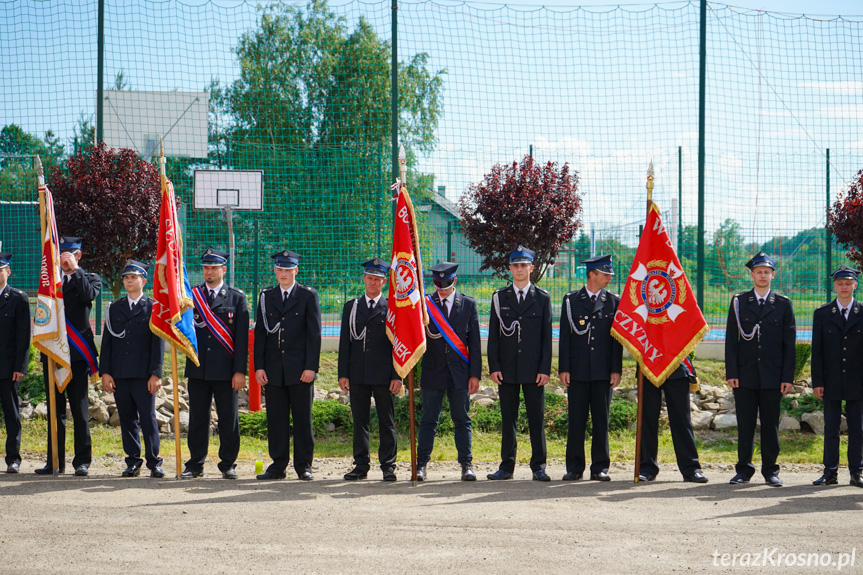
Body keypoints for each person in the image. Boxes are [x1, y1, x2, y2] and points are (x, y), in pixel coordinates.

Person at [725, 252, 795, 487]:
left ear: (773, 275)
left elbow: (789, 344)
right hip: (745, 375)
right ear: (752, 274)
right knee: (745, 425)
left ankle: (770, 471)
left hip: (773, 376)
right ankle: (743, 470)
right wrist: (732, 372)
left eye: (767, 272)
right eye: (758, 271)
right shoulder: (739, 302)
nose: (762, 275)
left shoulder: (784, 304)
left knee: (770, 425)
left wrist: (787, 376)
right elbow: (731, 341)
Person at [182, 249, 249, 479]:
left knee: (228, 418)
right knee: (198, 419)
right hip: (198, 368)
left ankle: (228, 464)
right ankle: (195, 464)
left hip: (226, 370)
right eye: (205, 268)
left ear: (224, 269)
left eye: (214, 267)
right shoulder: (190, 296)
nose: (209, 272)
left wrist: (240, 370)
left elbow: (241, 339)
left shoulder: (237, 298)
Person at [254, 250, 321, 481]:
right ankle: (278, 465)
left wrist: (311, 367)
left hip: (300, 369)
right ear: (275, 270)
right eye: (279, 269)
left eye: (287, 269)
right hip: (273, 370)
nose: (283, 274)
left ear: (296, 270)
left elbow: (314, 335)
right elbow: (261, 334)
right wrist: (259, 366)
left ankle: (304, 466)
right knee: (276, 420)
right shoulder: (266, 297)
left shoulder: (307, 296)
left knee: (303, 420)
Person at [36, 236, 101, 476]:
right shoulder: (49, 283)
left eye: (69, 254)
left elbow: (87, 296)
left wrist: (75, 271)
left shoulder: (90, 278)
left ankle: (82, 461)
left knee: (80, 410)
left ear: (78, 255)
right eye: (61, 255)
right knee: (55, 410)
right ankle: (55, 460)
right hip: (53, 354)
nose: (64, 259)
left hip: (76, 356)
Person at [487, 246, 553, 481]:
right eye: (515, 265)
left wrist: (545, 369)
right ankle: (506, 467)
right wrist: (493, 366)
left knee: (537, 418)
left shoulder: (543, 298)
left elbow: (547, 337)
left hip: (534, 370)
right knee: (508, 420)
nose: (519, 269)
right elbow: (493, 336)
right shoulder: (499, 297)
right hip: (507, 370)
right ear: (510, 268)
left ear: (531, 268)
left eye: (524, 265)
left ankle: (539, 467)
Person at [99, 260, 165, 478]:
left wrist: (156, 374)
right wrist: (105, 372)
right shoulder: (114, 308)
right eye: (126, 277)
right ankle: (133, 461)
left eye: (133, 277)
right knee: (127, 419)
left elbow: (158, 344)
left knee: (147, 418)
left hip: (143, 374)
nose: (129, 281)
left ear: (143, 281)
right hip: (120, 372)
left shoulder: (153, 307)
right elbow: (107, 342)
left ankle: (154, 462)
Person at [558, 255, 622, 481]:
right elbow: (564, 338)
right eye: (605, 274)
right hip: (577, 370)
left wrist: (616, 369)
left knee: (601, 420)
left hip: (603, 371)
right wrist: (563, 368)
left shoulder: (614, 301)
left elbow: (617, 341)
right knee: (576, 419)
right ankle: (574, 467)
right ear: (592, 274)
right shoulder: (571, 300)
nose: (609, 278)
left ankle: (600, 467)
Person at [417, 262, 482, 482]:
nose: (441, 288)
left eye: (445, 283)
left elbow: (474, 343)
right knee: (428, 420)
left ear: (455, 280)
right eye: (437, 283)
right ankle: (421, 464)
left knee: (462, 419)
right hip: (433, 370)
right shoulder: (425, 304)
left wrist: (475, 375)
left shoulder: (469, 304)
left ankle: (466, 464)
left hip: (460, 372)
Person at [338, 258, 401, 481]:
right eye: (369, 278)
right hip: (357, 373)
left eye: (377, 279)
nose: (372, 283)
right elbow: (345, 343)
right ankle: (361, 465)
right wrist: (343, 373)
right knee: (360, 421)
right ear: (363, 279)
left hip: (384, 374)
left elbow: (398, 345)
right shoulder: (351, 307)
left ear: (384, 282)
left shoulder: (392, 308)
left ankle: (388, 466)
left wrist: (397, 376)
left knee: (386, 420)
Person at [810, 265, 863, 488]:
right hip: (830, 380)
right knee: (830, 428)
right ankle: (829, 472)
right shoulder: (822, 314)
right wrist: (818, 382)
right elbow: (817, 351)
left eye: (847, 283)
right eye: (840, 283)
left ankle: (856, 472)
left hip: (857, 380)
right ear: (834, 286)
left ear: (855, 285)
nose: (844, 287)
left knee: (857, 429)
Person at [638, 359, 709, 483]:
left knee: (681, 420)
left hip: (676, 364)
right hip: (649, 363)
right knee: (647, 420)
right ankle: (647, 468)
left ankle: (691, 469)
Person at [0, 252, 30, 474]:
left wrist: (20, 366)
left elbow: (23, 337)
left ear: (8, 272)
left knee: (11, 415)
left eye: (0, 270)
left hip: (7, 368)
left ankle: (13, 458)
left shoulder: (19, 298)